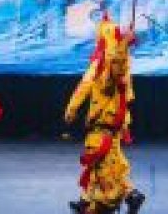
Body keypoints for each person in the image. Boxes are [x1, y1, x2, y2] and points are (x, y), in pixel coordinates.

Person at [64, 18, 145, 214]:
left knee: (103, 162)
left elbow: (84, 86)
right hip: (114, 120)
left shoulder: (107, 65)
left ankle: (116, 198)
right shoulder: (118, 64)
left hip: (103, 123)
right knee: (109, 161)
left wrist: (71, 109)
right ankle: (90, 199)